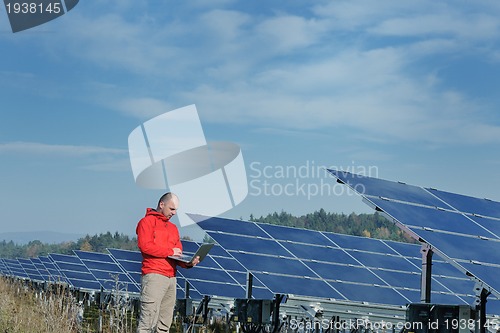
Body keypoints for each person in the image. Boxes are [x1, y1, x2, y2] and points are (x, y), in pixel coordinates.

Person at [136, 192, 199, 333]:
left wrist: (188, 263)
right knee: (147, 322)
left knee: (164, 324)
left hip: (171, 278)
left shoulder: (173, 229)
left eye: (176, 210)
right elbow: (145, 246)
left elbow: (178, 255)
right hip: (154, 276)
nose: (174, 213)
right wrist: (169, 251)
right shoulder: (146, 222)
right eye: (172, 209)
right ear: (161, 204)